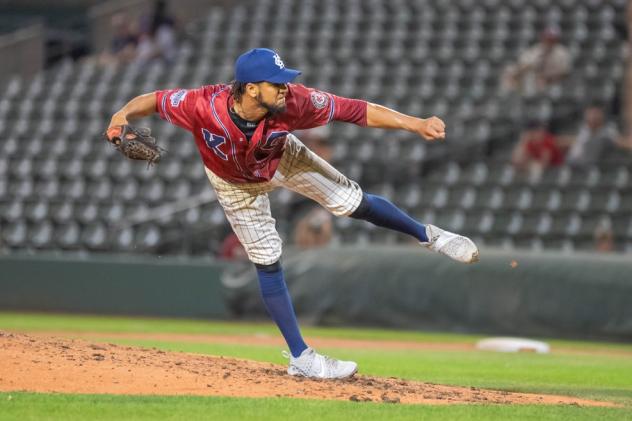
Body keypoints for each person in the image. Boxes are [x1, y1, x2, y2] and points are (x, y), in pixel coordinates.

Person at [105, 48, 479, 380]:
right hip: (232, 183)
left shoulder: (295, 103)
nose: (286, 87)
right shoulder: (202, 104)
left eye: (285, 82)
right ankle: (302, 357)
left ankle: (431, 237)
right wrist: (121, 115)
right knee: (267, 259)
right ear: (251, 88)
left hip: (282, 157)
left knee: (350, 201)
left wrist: (415, 123)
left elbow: (357, 110)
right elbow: (154, 100)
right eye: (276, 83)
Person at [501, 26, 571, 96]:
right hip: (534, 81)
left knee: (548, 87)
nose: (549, 41)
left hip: (554, 83)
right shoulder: (536, 50)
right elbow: (524, 65)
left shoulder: (562, 53)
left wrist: (548, 79)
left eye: (552, 39)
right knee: (510, 71)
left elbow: (565, 73)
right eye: (548, 38)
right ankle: (512, 95)